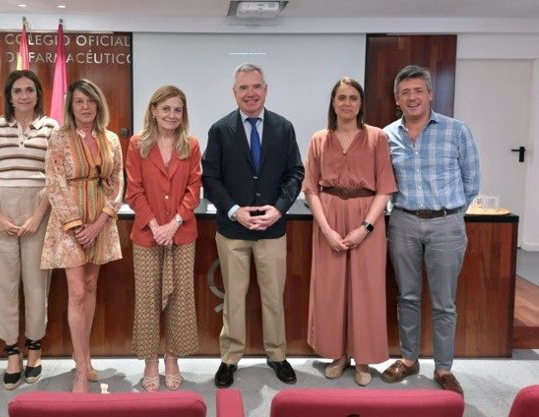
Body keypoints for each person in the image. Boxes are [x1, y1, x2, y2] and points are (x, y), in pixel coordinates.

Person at [202, 63, 304, 388]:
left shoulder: (284, 128)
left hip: (272, 229)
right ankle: (230, 358)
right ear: (234, 93)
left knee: (274, 297)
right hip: (232, 230)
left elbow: (295, 174)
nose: (250, 93)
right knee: (234, 297)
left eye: (256, 86)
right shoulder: (220, 130)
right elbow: (210, 177)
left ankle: (276, 355)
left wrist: (278, 209)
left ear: (265, 89)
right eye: (243, 88)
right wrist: (233, 210)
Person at [381, 65, 480, 396]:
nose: (412, 97)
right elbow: (384, 183)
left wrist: (450, 215)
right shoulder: (387, 135)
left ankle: (443, 368)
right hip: (404, 221)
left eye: (418, 91)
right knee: (407, 296)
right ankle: (409, 360)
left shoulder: (456, 130)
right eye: (405, 92)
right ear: (397, 99)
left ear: (430, 94)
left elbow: (472, 181)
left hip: (446, 224)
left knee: (444, 303)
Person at [303, 77, 397, 386]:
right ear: (333, 103)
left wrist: (366, 227)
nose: (347, 103)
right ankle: (337, 355)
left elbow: (384, 188)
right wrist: (326, 229)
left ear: (360, 103)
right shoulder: (319, 139)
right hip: (328, 218)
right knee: (331, 290)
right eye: (341, 97)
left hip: (366, 218)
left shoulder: (377, 138)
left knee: (366, 290)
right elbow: (311, 189)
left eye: (353, 97)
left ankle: (364, 358)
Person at [0, 70, 58, 389]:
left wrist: (39, 216)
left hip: (38, 208)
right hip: (0, 207)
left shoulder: (52, 127)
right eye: (17, 91)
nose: (24, 96)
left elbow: (55, 177)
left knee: (37, 284)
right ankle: (11, 351)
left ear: (38, 94)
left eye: (29, 90)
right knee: (4, 284)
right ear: (8, 96)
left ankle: (34, 349)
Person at [41, 79, 124, 393]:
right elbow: (54, 183)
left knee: (91, 286)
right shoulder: (58, 138)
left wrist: (101, 221)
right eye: (79, 101)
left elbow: (117, 182)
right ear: (71, 106)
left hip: (100, 221)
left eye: (90, 100)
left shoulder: (111, 139)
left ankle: (86, 357)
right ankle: (79, 369)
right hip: (69, 224)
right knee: (76, 292)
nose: (86, 106)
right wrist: (76, 225)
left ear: (99, 104)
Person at [125, 85, 201, 392]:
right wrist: (156, 225)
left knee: (180, 300)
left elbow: (194, 189)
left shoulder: (192, 144)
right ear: (153, 110)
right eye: (166, 108)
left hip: (182, 234)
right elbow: (134, 189)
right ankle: (150, 362)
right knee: (147, 301)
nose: (172, 115)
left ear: (184, 115)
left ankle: (172, 359)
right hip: (147, 234)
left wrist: (174, 223)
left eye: (178, 110)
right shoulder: (137, 144)